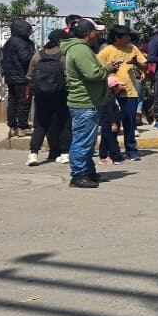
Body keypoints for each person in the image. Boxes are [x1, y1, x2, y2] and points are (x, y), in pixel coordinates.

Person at [62, 19, 111, 189]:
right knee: (82, 141)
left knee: (88, 141)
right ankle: (78, 174)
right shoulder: (80, 49)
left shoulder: (79, 48)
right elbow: (92, 74)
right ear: (89, 33)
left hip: (88, 101)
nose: (99, 34)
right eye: (97, 31)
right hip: (85, 102)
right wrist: (108, 69)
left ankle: (88, 171)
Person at [97, 25, 145, 163]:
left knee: (129, 122)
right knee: (112, 124)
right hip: (112, 93)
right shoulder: (107, 51)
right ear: (117, 37)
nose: (128, 38)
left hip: (130, 92)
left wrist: (137, 63)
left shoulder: (132, 49)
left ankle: (131, 150)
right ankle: (110, 152)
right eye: (125, 36)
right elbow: (98, 70)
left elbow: (145, 65)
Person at [25, 29, 71, 166]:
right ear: (61, 41)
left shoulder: (38, 55)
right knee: (64, 124)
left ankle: (33, 154)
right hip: (60, 95)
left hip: (41, 96)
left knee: (40, 125)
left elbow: (29, 76)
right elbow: (68, 77)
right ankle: (64, 154)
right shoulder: (64, 55)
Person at [0, 17, 36, 138]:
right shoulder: (23, 43)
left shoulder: (9, 43)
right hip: (22, 78)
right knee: (24, 101)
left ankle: (12, 126)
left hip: (11, 78)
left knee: (13, 102)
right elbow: (26, 59)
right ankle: (22, 127)